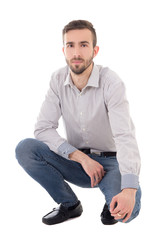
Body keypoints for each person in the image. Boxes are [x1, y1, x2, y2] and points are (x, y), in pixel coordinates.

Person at [15, 20, 141, 225]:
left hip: (112, 163)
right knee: (26, 148)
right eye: (70, 45)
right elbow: (43, 128)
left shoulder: (111, 82)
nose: (76, 53)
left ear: (95, 50)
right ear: (63, 50)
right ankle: (70, 205)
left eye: (83, 45)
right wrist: (82, 158)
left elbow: (124, 135)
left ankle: (112, 197)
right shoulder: (57, 79)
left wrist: (129, 190)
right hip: (77, 163)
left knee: (126, 214)